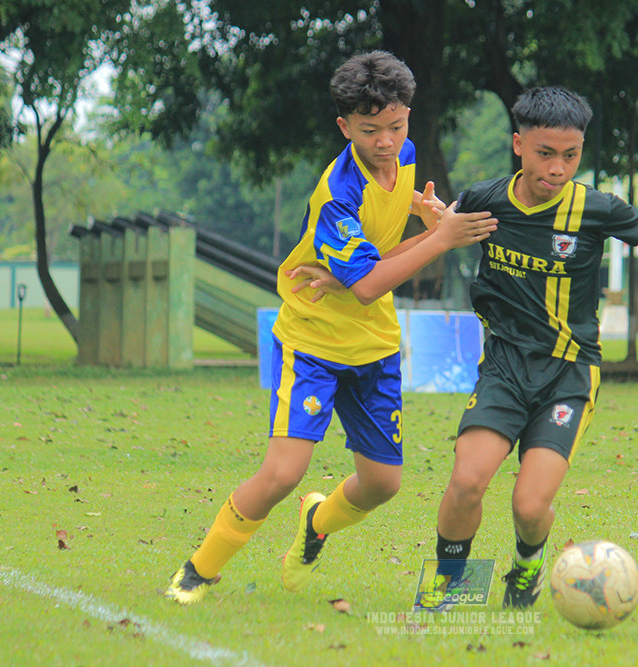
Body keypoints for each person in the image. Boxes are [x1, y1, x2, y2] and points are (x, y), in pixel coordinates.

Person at [164, 50, 497, 604]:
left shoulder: (405, 154)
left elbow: (379, 254)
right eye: (370, 131)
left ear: (407, 117)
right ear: (345, 127)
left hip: (375, 346)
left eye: (395, 125)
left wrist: (422, 212)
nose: (386, 141)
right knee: (282, 474)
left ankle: (316, 522)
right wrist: (441, 237)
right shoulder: (336, 195)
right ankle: (199, 570)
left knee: (383, 484)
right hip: (313, 343)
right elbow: (369, 283)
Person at [430, 86, 638, 608]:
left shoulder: (596, 210)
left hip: (569, 375)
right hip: (504, 368)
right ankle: (451, 585)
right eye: (545, 153)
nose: (558, 168)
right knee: (467, 481)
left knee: (530, 505)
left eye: (571, 155)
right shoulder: (484, 200)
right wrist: (425, 233)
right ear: (518, 145)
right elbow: (438, 236)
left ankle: (527, 565)